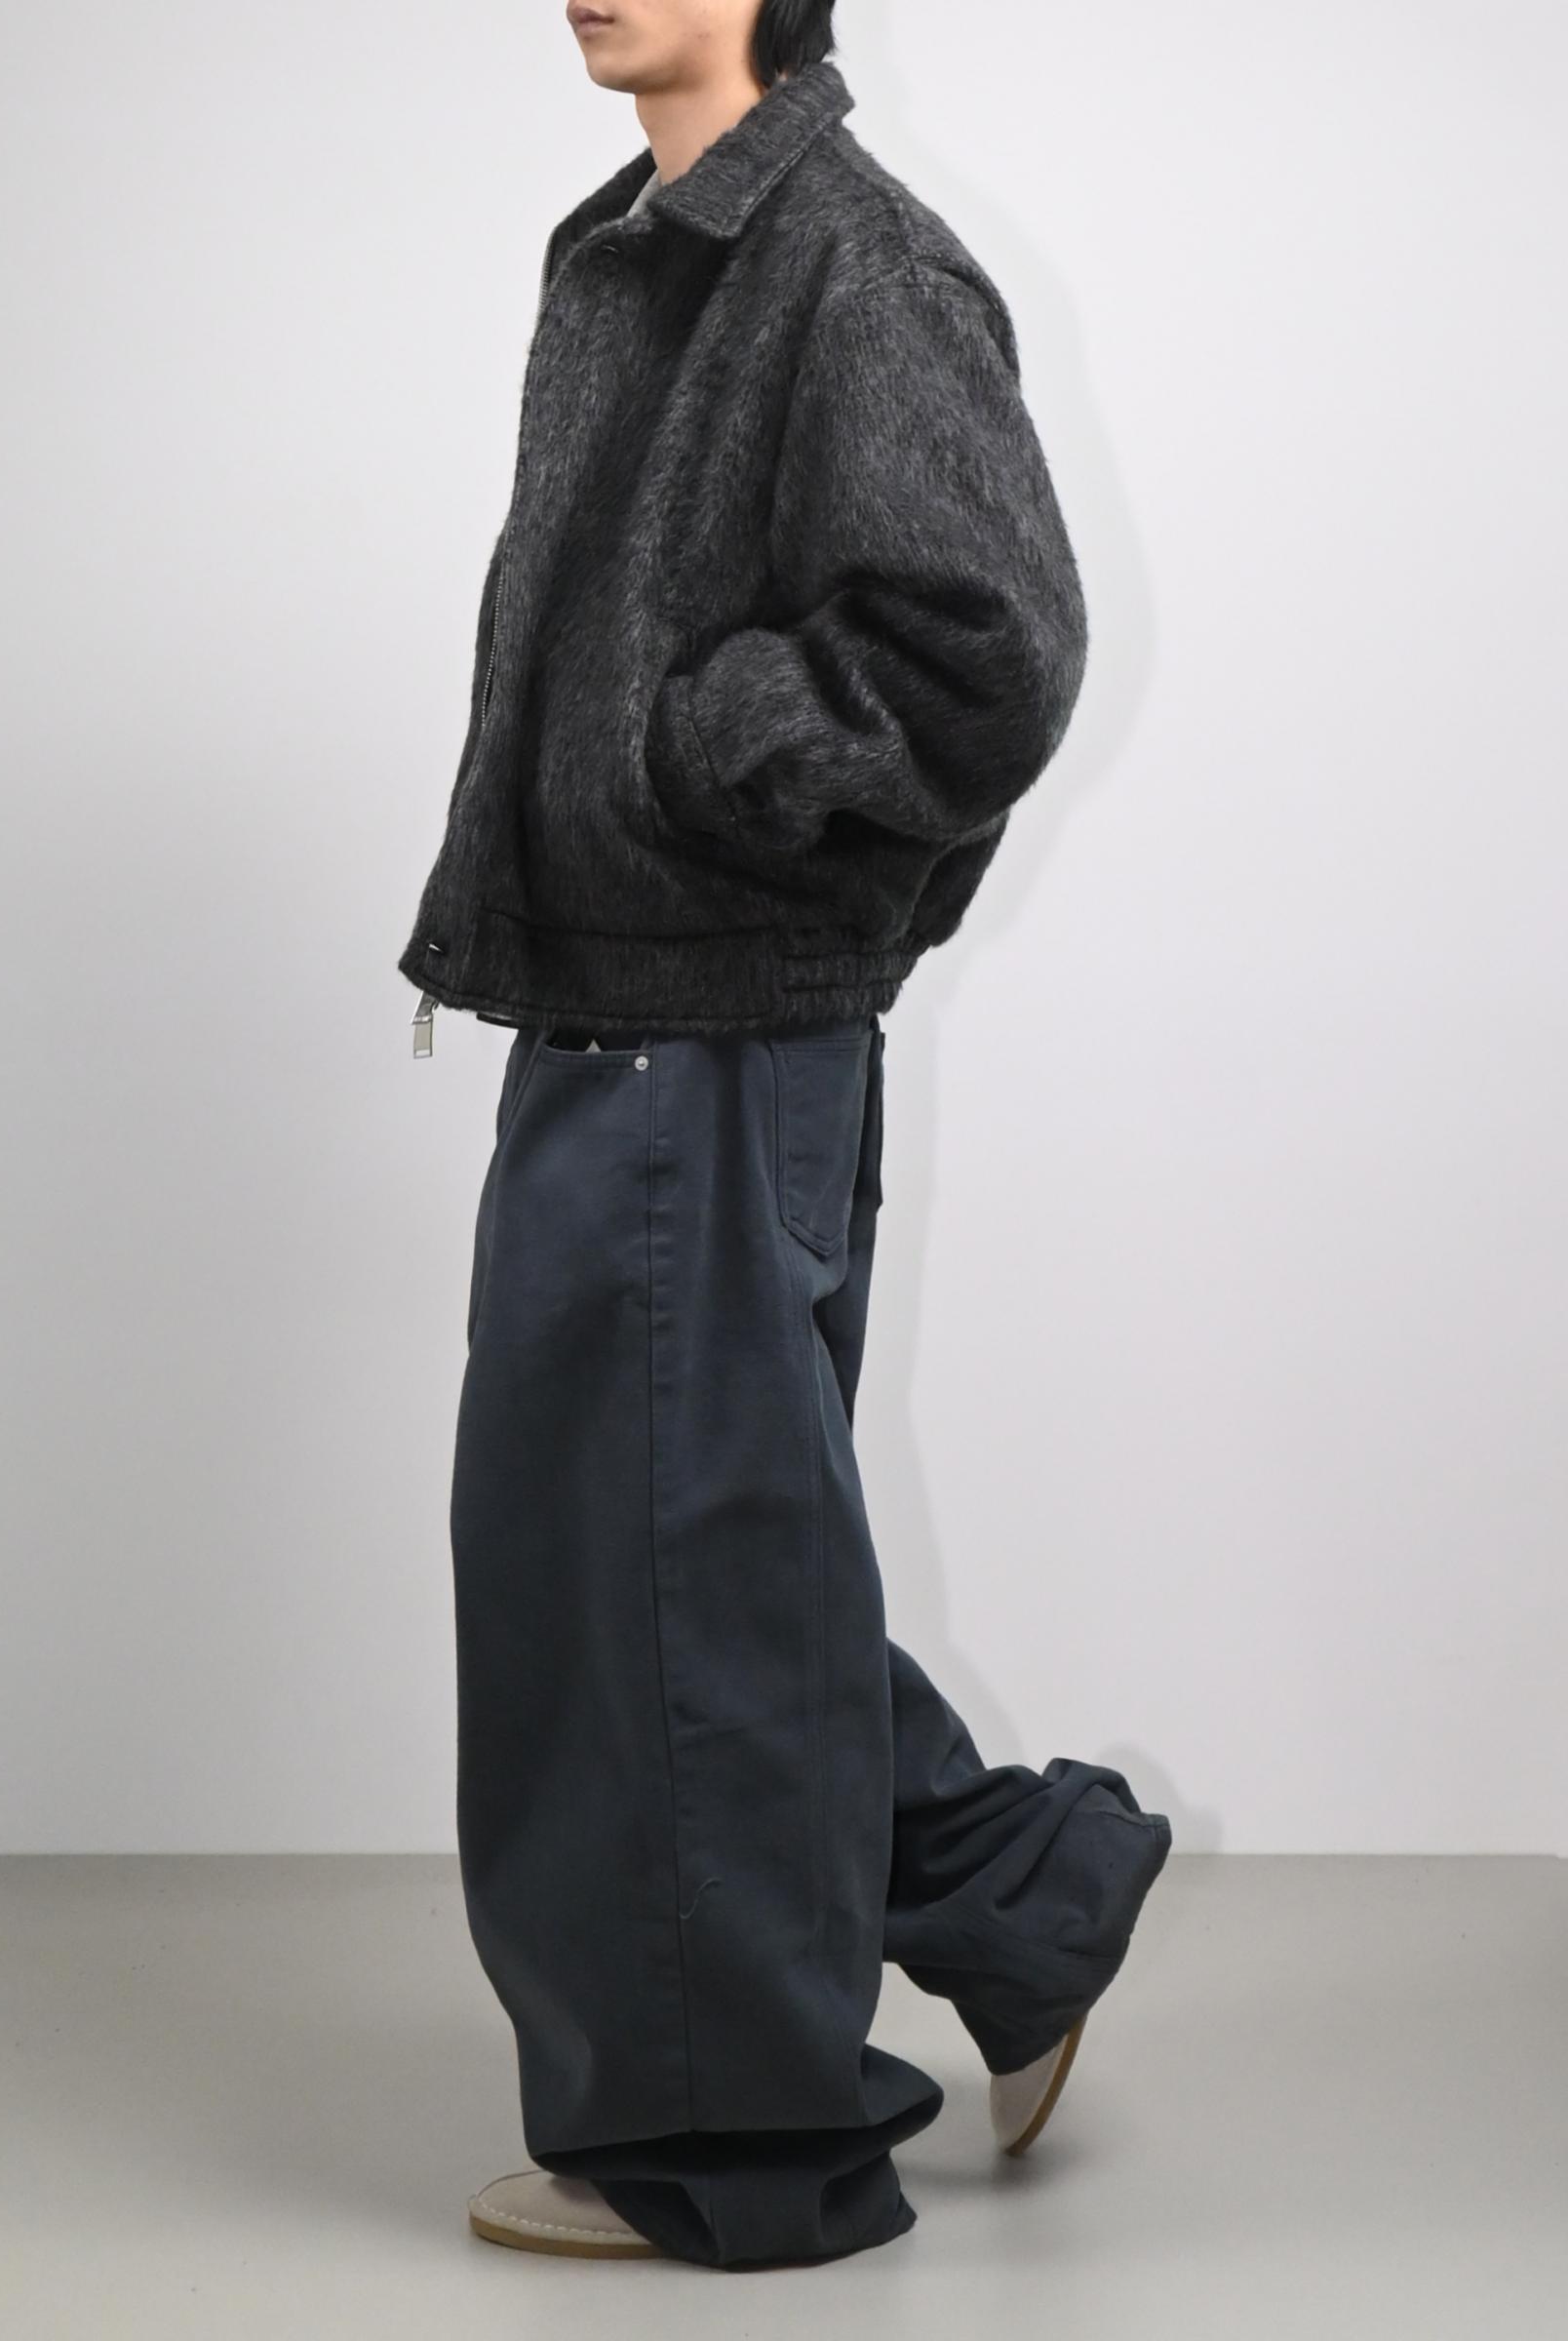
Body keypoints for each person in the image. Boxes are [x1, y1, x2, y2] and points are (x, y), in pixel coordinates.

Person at [396, 0, 1173, 2272]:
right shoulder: (654, 239)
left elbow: (988, 645)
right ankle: (1014, 1901)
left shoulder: (850, 256)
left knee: (669, 1564)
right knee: (652, 1550)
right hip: (623, 998)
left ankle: (736, 2142)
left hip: (711, 1014)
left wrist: (693, 757)